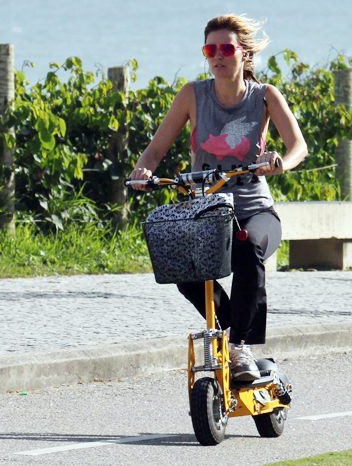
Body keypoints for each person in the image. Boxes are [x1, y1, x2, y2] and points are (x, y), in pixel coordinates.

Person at [129, 14, 308, 381]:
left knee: (247, 249)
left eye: (226, 48)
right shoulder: (193, 95)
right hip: (207, 211)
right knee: (180, 266)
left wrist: (280, 164)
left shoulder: (264, 96)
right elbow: (153, 152)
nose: (218, 56)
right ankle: (232, 329)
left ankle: (240, 345)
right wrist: (142, 173)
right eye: (211, 49)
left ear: (244, 55)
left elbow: (298, 146)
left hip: (255, 210)